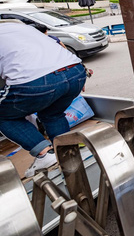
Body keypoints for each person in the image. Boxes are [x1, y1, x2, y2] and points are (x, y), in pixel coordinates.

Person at [0, 21, 86, 177]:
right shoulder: (18, 27)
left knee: (3, 116)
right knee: (52, 114)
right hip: (76, 72)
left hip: (36, 82)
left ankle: (44, 154)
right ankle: (67, 151)